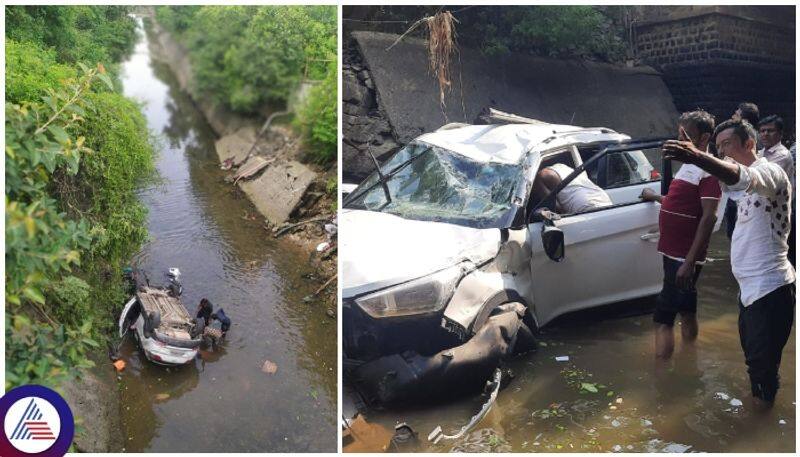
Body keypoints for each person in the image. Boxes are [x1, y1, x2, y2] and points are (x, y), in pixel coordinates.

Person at [662, 118, 795, 407]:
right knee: (754, 366)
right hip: (750, 292)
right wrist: (698, 151)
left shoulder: (769, 172)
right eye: (718, 146)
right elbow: (721, 174)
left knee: (762, 373)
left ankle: (759, 435)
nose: (722, 152)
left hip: (770, 289)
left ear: (749, 144)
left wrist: (698, 155)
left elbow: (738, 175)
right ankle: (761, 424)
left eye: (727, 145)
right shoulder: (735, 179)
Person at [641, 110, 721, 360]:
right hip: (673, 251)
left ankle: (662, 381)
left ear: (704, 137)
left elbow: (709, 217)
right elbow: (682, 203)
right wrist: (655, 197)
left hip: (682, 256)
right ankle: (690, 358)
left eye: (685, 135)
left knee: (663, 318)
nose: (679, 139)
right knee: (686, 309)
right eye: (679, 134)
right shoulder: (689, 166)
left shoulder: (708, 171)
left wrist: (688, 262)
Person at [759, 115, 795, 267]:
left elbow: (762, 177)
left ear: (780, 134)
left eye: (770, 131)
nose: (765, 134)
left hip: (778, 212)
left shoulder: (782, 155)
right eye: (762, 131)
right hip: (763, 210)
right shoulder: (760, 153)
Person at [725, 102, 761, 239]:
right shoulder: (739, 138)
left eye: (737, 114)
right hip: (736, 191)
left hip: (744, 191)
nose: (733, 116)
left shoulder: (752, 139)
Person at [532, 163, 612, 214]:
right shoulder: (562, 166)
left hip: (584, 206)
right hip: (603, 199)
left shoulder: (539, 178)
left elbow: (554, 208)